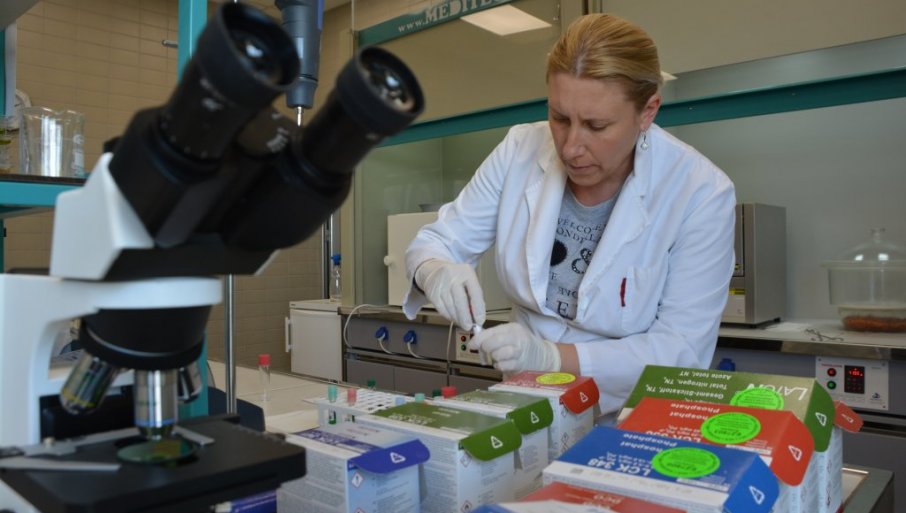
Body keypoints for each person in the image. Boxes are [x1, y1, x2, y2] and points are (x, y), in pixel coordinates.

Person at [402, 13, 736, 415]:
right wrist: (435, 270)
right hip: (530, 403)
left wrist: (550, 358)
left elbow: (680, 352)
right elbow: (436, 242)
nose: (570, 147)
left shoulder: (700, 191)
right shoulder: (519, 149)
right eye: (560, 118)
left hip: (630, 415)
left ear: (648, 111)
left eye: (596, 125)